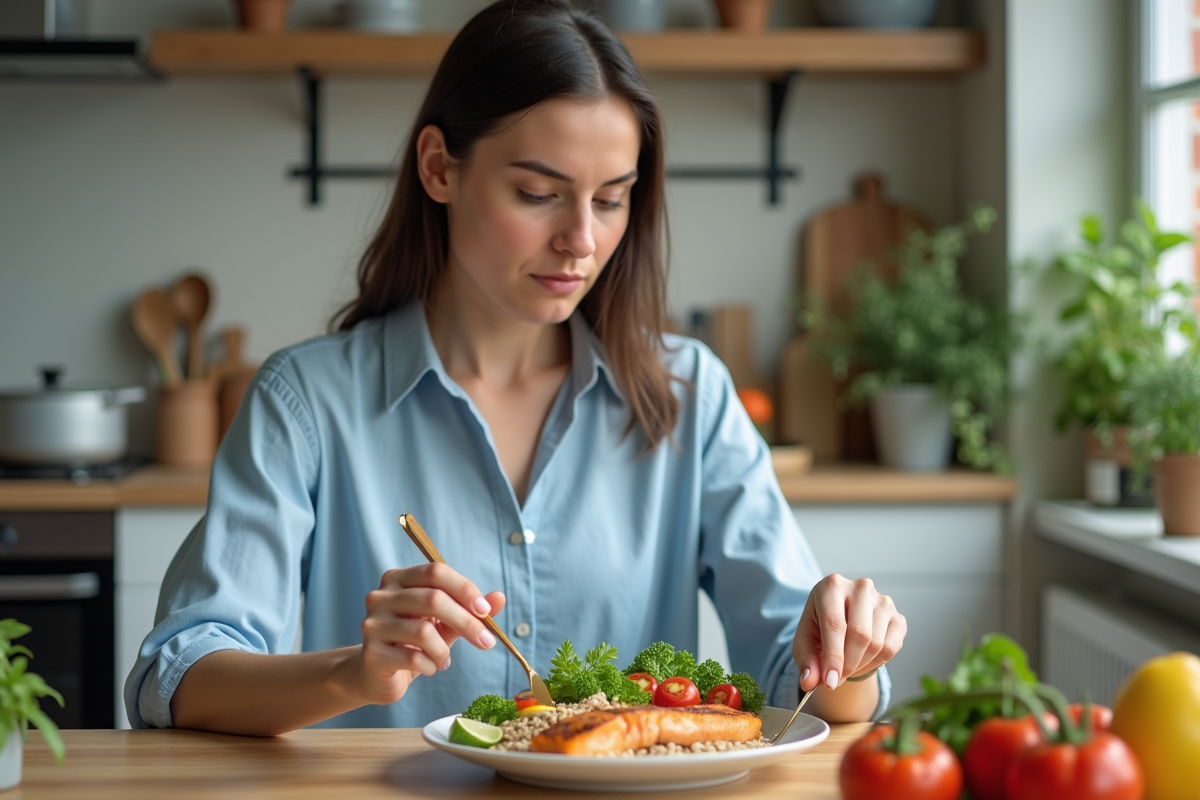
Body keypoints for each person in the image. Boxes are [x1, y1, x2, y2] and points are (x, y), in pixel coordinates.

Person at [125, 0, 906, 735]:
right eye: (539, 193)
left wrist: (845, 648)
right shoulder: (306, 403)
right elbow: (176, 674)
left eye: (612, 200)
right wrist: (352, 675)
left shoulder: (690, 395)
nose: (582, 240)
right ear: (440, 168)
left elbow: (801, 684)